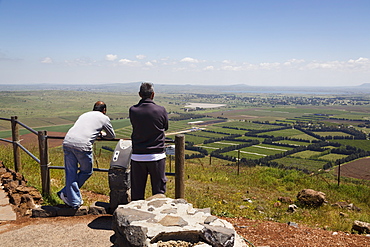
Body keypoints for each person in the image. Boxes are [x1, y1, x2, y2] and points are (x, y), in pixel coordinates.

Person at [58, 101, 115, 208]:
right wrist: (101, 135)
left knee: (71, 173)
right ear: (104, 110)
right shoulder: (104, 118)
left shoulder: (84, 114)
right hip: (82, 145)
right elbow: (111, 135)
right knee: (87, 171)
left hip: (68, 142)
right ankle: (69, 196)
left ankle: (71, 198)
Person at [129, 82, 169, 201]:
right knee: (158, 192)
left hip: (138, 155)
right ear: (153, 94)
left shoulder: (133, 110)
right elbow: (165, 127)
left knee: (137, 191)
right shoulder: (161, 110)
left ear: (140, 94)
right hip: (156, 155)